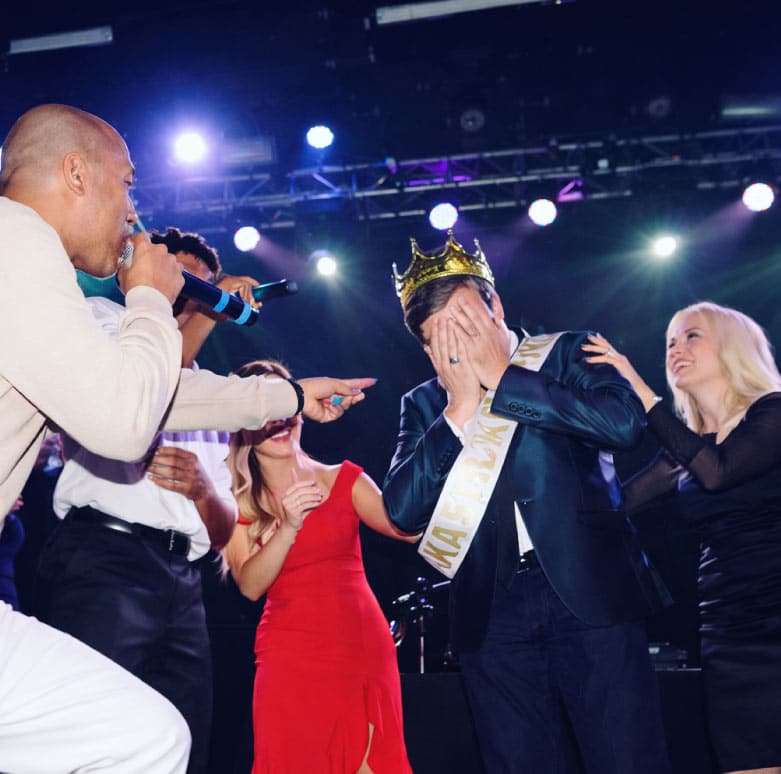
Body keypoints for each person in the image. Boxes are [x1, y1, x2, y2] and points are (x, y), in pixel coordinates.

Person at [0, 103, 373, 774]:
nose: (132, 210)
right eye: (127, 181)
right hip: (106, 556)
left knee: (143, 735)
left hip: (175, 572)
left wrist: (288, 394)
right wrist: (148, 296)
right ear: (76, 173)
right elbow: (123, 418)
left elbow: (169, 392)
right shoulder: (15, 241)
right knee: (137, 737)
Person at [382, 230, 672, 774]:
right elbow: (401, 509)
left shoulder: (567, 352)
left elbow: (625, 424)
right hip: (491, 613)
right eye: (438, 338)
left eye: (465, 322)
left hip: (589, 592)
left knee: (628, 760)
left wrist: (503, 378)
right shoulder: (423, 404)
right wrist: (458, 412)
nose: (457, 344)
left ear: (496, 305)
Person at [33, 226, 260, 774]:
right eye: (181, 282)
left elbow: (225, 530)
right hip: (106, 560)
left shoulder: (207, 391)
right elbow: (154, 376)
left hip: (184, 582)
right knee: (90, 735)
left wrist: (204, 492)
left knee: (183, 738)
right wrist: (214, 309)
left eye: (203, 289)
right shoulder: (102, 325)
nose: (191, 298)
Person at [583, 302, 781, 774]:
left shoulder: (773, 413)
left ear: (732, 347)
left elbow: (718, 473)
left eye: (692, 336)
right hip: (728, 635)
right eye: (670, 341)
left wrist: (642, 391)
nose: (676, 349)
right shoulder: (686, 450)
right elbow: (615, 508)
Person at [223, 359, 417, 774]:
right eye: (266, 408)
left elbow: (409, 529)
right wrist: (289, 525)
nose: (279, 421)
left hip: (361, 646)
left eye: (285, 407)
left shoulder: (342, 479)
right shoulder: (238, 501)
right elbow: (249, 586)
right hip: (290, 657)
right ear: (243, 421)